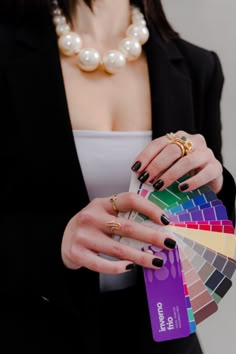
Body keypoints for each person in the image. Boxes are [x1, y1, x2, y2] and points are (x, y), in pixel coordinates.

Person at [0, 0, 235, 353]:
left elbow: (213, 236)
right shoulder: (6, 53)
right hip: (30, 333)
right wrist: (56, 243)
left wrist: (217, 184)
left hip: (162, 342)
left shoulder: (196, 66)